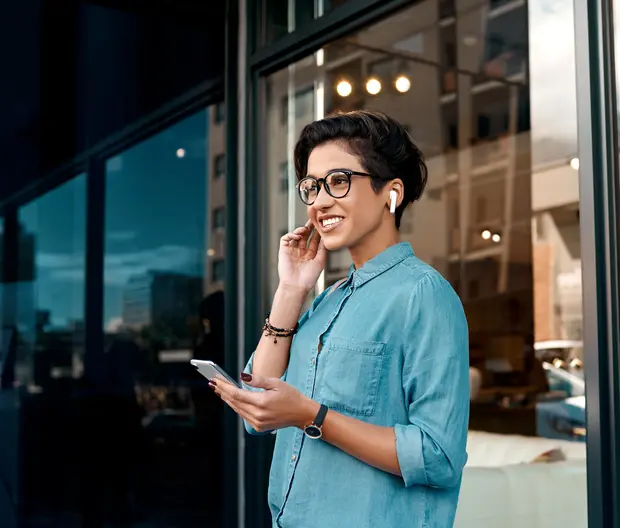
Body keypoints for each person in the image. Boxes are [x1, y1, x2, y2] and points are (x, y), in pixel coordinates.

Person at [212, 110, 470, 527]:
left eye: (338, 181)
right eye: (312, 187)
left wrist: (312, 417)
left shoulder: (423, 294)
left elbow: (438, 456)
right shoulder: (326, 300)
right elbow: (259, 404)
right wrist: (292, 289)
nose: (319, 202)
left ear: (392, 192)